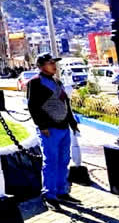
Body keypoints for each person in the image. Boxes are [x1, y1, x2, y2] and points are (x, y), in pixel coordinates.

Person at [27, 52, 80, 211]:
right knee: (51, 161)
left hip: (63, 127)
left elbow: (66, 104)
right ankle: (49, 195)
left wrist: (72, 123)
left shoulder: (57, 81)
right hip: (49, 129)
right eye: (51, 63)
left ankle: (62, 191)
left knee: (64, 160)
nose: (54, 65)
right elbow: (33, 106)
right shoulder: (35, 82)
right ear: (42, 66)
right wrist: (42, 126)